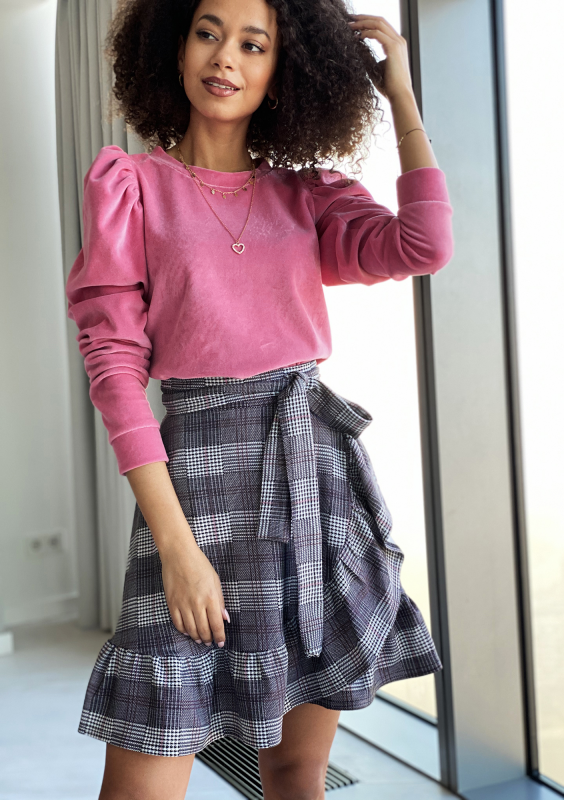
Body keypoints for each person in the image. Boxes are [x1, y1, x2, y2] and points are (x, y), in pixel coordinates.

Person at [65, 0, 454, 797]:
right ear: (176, 49)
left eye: (253, 44)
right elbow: (114, 372)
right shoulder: (130, 185)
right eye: (208, 33)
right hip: (192, 493)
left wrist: (401, 97)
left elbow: (424, 244)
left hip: (311, 482)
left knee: (296, 774)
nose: (225, 58)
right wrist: (177, 550)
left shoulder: (308, 197)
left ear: (283, 72)